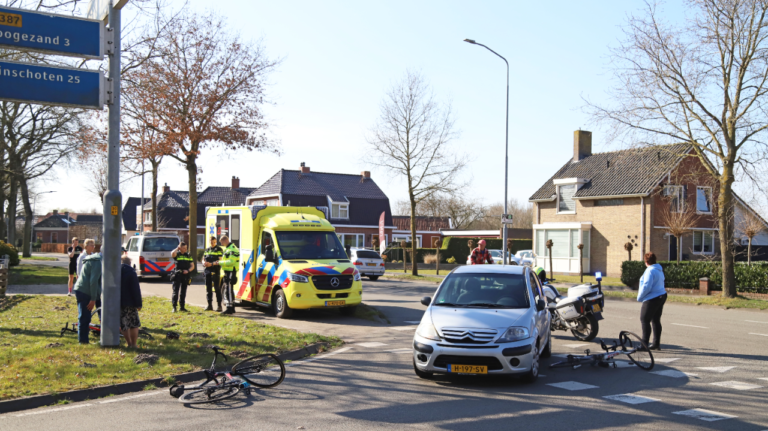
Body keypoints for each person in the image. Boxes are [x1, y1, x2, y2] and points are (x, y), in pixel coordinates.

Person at [638, 252, 667, 350]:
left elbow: (646, 286)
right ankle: (656, 343)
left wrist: (640, 297)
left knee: (644, 320)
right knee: (655, 320)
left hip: (652, 298)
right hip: (661, 295)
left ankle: (644, 345)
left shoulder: (649, 271)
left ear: (646, 261)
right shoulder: (659, 270)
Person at [73, 252, 102, 344]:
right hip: (85, 291)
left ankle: (84, 339)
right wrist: (93, 299)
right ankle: (83, 341)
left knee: (86, 316)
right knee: (84, 317)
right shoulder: (98, 262)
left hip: (83, 289)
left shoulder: (95, 258)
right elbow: (93, 281)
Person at [120, 256, 143, 348]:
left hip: (120, 301)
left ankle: (128, 343)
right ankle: (133, 344)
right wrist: (138, 303)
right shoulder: (131, 272)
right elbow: (135, 289)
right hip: (131, 302)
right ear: (129, 263)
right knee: (133, 324)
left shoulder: (115, 270)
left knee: (124, 324)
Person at [218, 235, 240, 315]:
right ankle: (232, 307)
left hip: (231, 271)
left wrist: (219, 262)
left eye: (222, 242)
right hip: (228, 271)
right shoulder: (228, 248)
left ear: (225, 240)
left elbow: (231, 262)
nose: (221, 244)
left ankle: (229, 308)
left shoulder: (232, 249)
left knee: (229, 290)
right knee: (229, 289)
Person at [201, 236, 224, 311]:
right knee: (208, 289)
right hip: (207, 271)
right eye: (211, 242)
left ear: (216, 242)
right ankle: (209, 305)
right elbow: (203, 259)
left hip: (215, 271)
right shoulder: (207, 250)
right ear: (209, 241)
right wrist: (204, 263)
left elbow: (220, 260)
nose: (212, 243)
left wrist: (211, 264)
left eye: (214, 242)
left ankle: (219, 306)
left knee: (217, 288)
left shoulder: (219, 249)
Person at [170, 241, 193, 313]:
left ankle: (182, 307)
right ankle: (174, 307)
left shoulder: (188, 255)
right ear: (180, 248)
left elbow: (192, 266)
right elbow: (172, 254)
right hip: (177, 275)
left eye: (186, 247)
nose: (185, 249)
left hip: (185, 276)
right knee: (175, 291)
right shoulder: (177, 254)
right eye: (183, 248)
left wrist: (188, 271)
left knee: (183, 292)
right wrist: (177, 248)